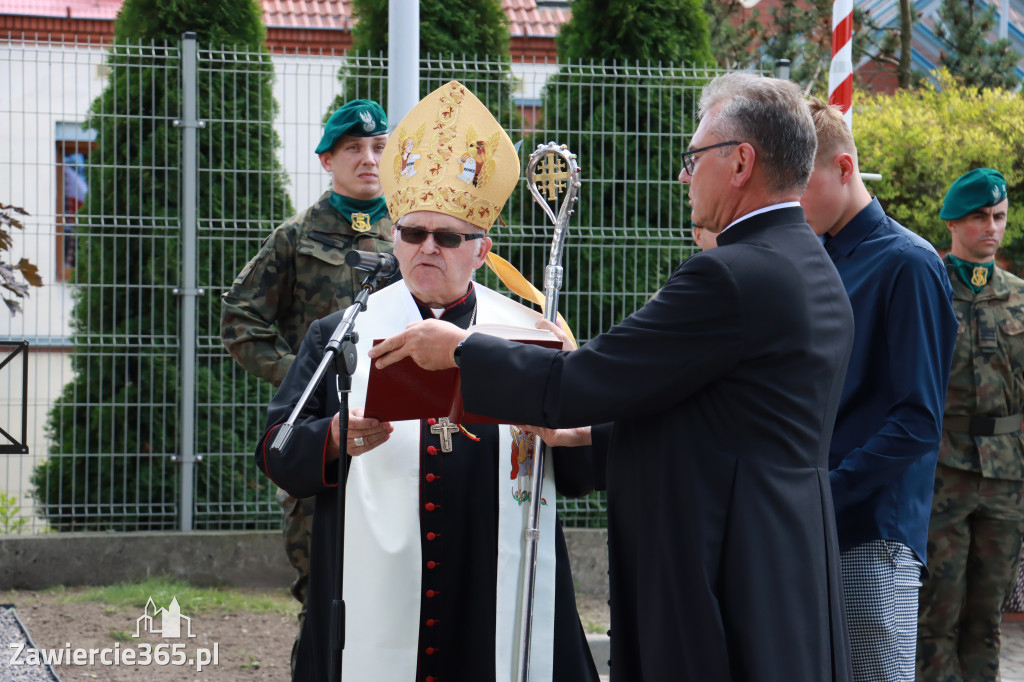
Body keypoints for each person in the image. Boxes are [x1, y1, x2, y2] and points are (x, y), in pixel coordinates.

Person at [369, 72, 856, 682]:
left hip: (721, 562)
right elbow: (725, 423)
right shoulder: (812, 263)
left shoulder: (729, 276)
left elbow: (584, 379)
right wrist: (595, 439)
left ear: (740, 163)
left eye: (694, 156)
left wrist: (464, 352)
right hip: (783, 554)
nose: (683, 174)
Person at [256, 81, 600, 682]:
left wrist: (559, 432)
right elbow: (279, 451)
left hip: (495, 578)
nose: (428, 249)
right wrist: (333, 437)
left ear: (481, 249)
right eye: (413, 233)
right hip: (375, 582)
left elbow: (580, 470)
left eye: (448, 237)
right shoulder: (344, 333)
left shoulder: (531, 332)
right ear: (395, 238)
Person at [219, 99, 391, 673]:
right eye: (353, 149)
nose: (369, 159)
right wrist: (301, 378)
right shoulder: (295, 238)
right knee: (322, 593)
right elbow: (240, 321)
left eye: (379, 148)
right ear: (327, 160)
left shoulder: (415, 234)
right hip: (322, 441)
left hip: (397, 433)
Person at [799, 97, 958, 682]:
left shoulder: (908, 263)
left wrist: (827, 495)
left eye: (802, 182)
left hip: (871, 531)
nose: (791, 200)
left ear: (844, 169)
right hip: (814, 519)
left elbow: (917, 419)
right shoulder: (820, 256)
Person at [917, 168, 1024, 682]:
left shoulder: (1021, 298)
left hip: (1006, 477)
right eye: (980, 217)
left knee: (986, 618)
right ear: (954, 223)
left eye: (999, 216)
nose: (992, 227)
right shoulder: (928, 287)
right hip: (942, 471)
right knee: (935, 614)